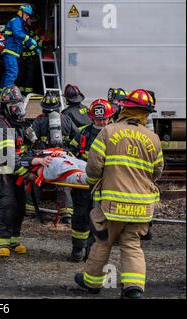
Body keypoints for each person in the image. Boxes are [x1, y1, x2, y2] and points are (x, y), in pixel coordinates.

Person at [75, 89, 164, 299]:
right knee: (132, 244)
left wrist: (93, 183)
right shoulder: (153, 138)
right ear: (145, 114)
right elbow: (157, 171)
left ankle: (92, 283)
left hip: (113, 205)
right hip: (142, 207)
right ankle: (133, 289)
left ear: (124, 108)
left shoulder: (108, 131)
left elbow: (93, 167)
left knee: (103, 242)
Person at [68, 99, 115, 262]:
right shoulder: (83, 133)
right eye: (97, 119)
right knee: (80, 216)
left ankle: (91, 252)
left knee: (98, 219)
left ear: (110, 117)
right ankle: (77, 250)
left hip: (104, 185)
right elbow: (71, 153)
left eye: (104, 119)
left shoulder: (115, 134)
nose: (101, 122)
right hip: (83, 184)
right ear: (91, 118)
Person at [0, 85, 36, 257]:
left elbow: (26, 148)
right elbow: (7, 156)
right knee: (7, 205)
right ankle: (1, 241)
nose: (19, 109)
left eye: (20, 104)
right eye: (14, 105)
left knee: (20, 207)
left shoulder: (18, 123)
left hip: (17, 171)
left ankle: (14, 239)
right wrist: (28, 174)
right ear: (6, 106)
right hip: (3, 173)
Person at [31, 91, 78, 223]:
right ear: (58, 106)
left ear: (43, 107)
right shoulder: (67, 119)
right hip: (62, 155)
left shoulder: (39, 120)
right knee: (64, 182)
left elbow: (31, 138)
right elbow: (78, 136)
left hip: (45, 158)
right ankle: (66, 212)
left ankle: (30, 210)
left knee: (35, 179)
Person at [0, 4, 42, 92]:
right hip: (11, 52)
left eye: (28, 15)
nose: (27, 17)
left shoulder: (20, 24)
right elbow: (18, 34)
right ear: (21, 13)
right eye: (26, 14)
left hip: (13, 53)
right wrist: (29, 38)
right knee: (12, 73)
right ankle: (7, 94)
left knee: (9, 73)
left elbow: (23, 40)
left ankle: (2, 93)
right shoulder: (16, 21)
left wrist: (34, 49)